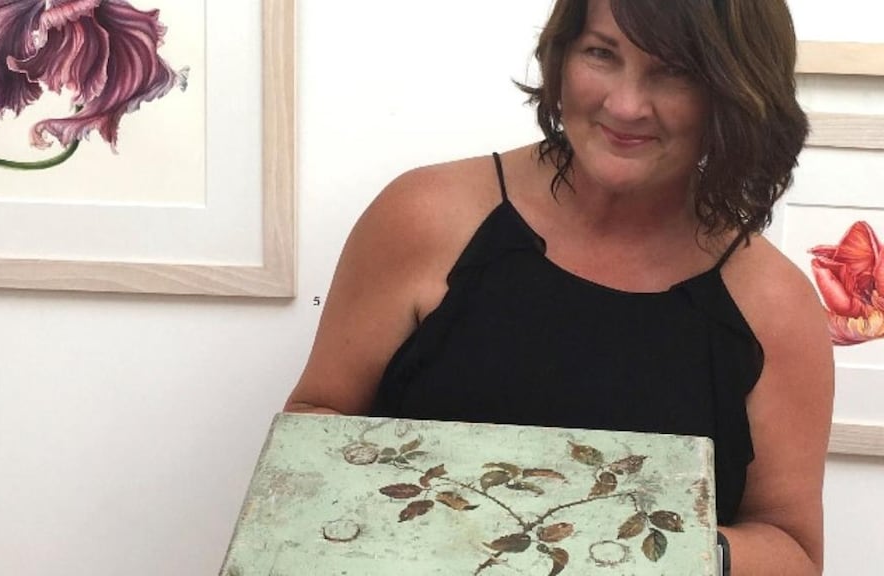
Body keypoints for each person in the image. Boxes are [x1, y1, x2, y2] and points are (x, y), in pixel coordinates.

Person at [285, 0, 834, 574]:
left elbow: (792, 550)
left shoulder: (774, 304)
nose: (625, 105)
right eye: (601, 53)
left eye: (673, 71)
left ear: (731, 89)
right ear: (562, 54)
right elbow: (311, 422)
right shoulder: (424, 217)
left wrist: (648, 550)